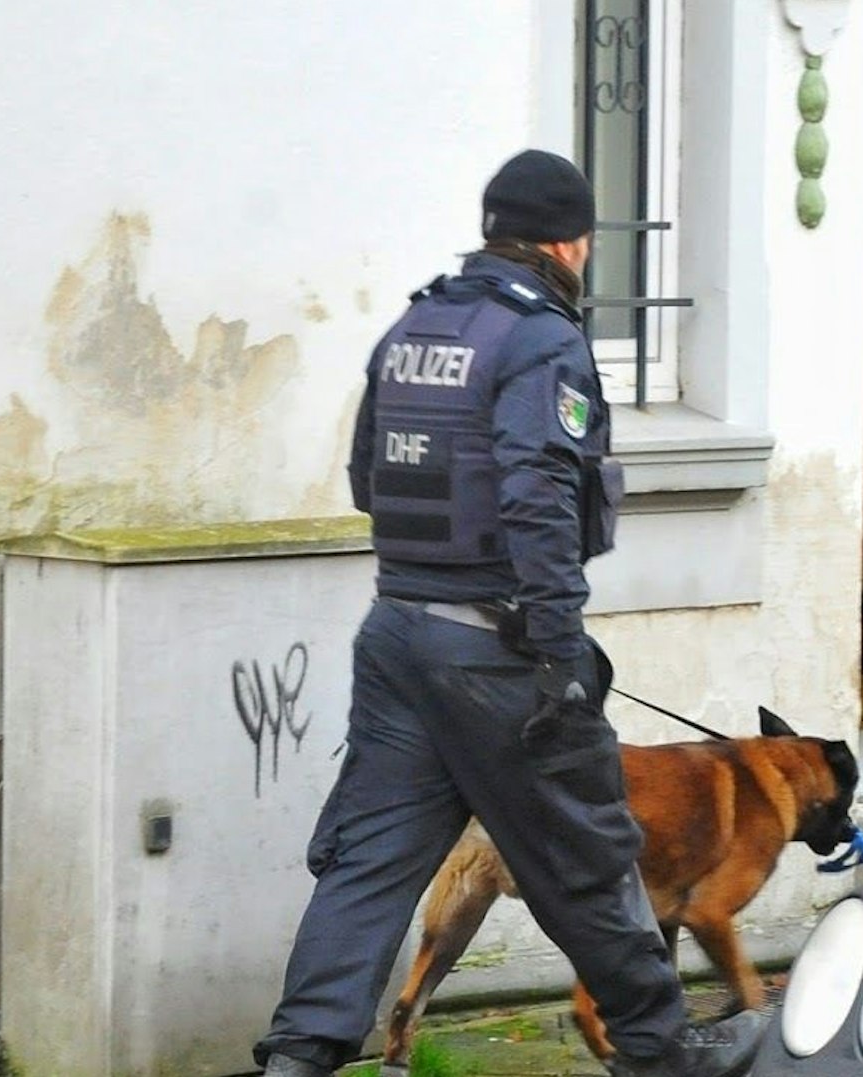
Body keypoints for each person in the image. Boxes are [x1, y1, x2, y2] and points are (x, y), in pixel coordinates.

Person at [253, 151, 766, 1077]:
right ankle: (659, 1049)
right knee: (591, 851)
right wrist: (561, 652)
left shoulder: (418, 323)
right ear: (573, 243)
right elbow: (537, 496)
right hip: (498, 652)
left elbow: (370, 478)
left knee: (370, 862)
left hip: (399, 630)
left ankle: (299, 1055)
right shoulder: (541, 339)